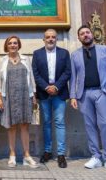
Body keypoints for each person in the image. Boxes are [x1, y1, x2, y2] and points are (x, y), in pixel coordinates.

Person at [70, 25, 106, 174]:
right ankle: (96, 157)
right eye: (82, 34)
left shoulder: (104, 50)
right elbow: (73, 77)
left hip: (102, 92)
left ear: (92, 34)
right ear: (79, 38)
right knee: (89, 126)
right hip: (84, 95)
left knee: (105, 124)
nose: (85, 35)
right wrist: (73, 95)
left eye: (87, 32)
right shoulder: (75, 55)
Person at [0, 35, 39, 168]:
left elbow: (31, 78)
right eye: (10, 43)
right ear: (6, 46)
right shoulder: (2, 60)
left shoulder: (26, 59)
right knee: (11, 126)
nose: (13, 45)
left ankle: (26, 156)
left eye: (15, 43)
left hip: (25, 96)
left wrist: (34, 96)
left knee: (25, 126)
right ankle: (12, 155)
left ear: (18, 45)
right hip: (8, 97)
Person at [32, 29, 71, 168]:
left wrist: (56, 87)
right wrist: (46, 87)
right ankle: (47, 151)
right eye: (48, 37)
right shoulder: (37, 54)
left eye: (53, 37)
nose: (50, 39)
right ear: (44, 39)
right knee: (47, 123)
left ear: (56, 39)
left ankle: (61, 154)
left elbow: (68, 72)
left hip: (59, 94)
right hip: (44, 94)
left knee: (60, 122)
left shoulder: (64, 53)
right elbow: (35, 74)